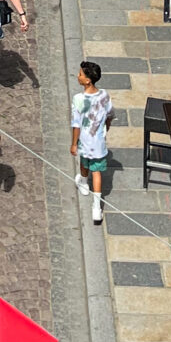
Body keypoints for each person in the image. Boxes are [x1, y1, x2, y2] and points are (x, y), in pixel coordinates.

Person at [70, 59, 112, 225]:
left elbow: (76, 125)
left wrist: (74, 143)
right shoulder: (104, 95)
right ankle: (96, 208)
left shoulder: (79, 99)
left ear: (87, 80)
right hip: (98, 142)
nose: (78, 76)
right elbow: (110, 115)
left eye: (80, 74)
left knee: (84, 162)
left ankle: (84, 183)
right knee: (97, 171)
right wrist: (105, 128)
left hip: (85, 140)